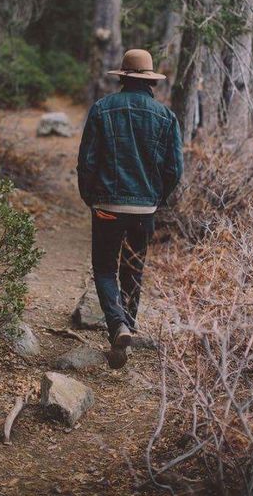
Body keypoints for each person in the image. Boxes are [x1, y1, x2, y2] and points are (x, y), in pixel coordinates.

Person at [77, 49, 184, 369]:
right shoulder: (166, 117)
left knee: (105, 268)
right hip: (144, 209)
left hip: (107, 206)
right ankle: (128, 327)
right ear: (150, 81)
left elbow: (87, 162)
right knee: (133, 268)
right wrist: (156, 200)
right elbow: (174, 169)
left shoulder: (102, 109)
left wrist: (90, 198)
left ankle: (118, 327)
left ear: (123, 77)